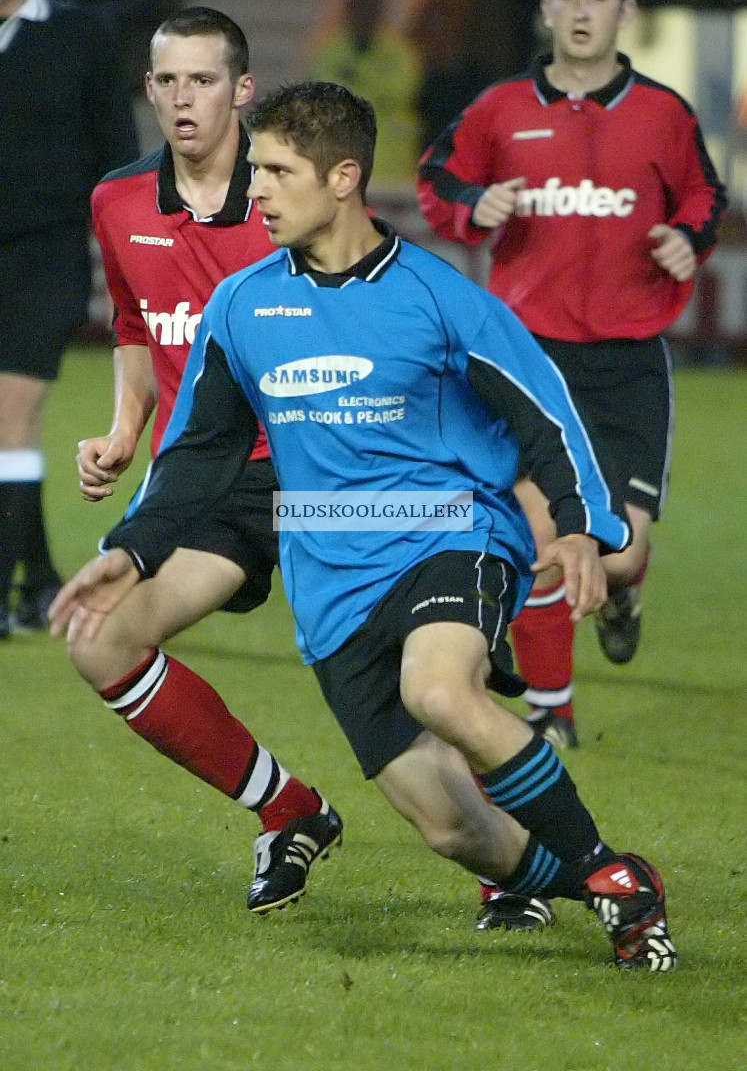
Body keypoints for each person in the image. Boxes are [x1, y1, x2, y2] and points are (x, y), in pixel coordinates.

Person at [51, 81, 678, 972]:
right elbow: (197, 451)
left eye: (276, 170)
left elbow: (545, 410)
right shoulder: (242, 306)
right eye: (255, 168)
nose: (256, 190)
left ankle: (607, 880)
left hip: (447, 530)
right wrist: (131, 549)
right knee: (450, 828)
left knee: (438, 690)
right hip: (329, 571)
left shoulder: (434, 294)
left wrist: (581, 527)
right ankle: (607, 877)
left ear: (343, 177)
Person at [66, 7, 343, 915]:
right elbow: (136, 324)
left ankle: (523, 865)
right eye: (169, 81)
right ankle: (290, 811)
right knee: (100, 639)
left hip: (315, 466)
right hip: (201, 476)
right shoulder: (116, 201)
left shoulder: (290, 199)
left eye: (205, 80)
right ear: (149, 91)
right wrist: (120, 429)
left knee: (408, 667)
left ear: (244, 89)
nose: (185, 99)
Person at [417, 0, 727, 748]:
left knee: (615, 555)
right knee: (543, 535)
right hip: (528, 358)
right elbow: (438, 180)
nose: (582, 10)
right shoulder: (498, 108)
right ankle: (551, 709)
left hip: (625, 364)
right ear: (545, 10)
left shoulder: (663, 113)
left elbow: (703, 193)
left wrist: (688, 239)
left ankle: (624, 593)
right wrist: (473, 208)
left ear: (624, 13)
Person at [0, 0, 139, 638]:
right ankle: (38, 582)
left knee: (11, 413)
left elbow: (115, 153)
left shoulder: (81, 36)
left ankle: (4, 591)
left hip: (43, 257)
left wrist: (126, 256)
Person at [310, 0, 422, 187]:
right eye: (359, 8)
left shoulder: (398, 53)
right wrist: (375, 85)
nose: (364, 15)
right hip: (343, 159)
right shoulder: (332, 51)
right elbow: (327, 92)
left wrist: (357, 78)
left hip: (393, 163)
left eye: (370, 8)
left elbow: (402, 89)